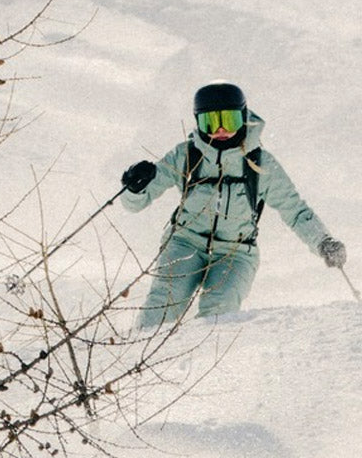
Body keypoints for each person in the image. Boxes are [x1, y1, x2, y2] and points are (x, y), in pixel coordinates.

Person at [119, 81, 346, 328]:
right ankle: (137, 357)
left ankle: (200, 364)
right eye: (210, 122)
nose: (220, 130)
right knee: (161, 310)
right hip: (185, 242)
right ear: (198, 122)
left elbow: (295, 210)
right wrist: (135, 187)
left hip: (236, 252)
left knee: (218, 316)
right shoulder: (186, 155)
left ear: (243, 117)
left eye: (229, 120)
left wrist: (323, 242)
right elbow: (135, 204)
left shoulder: (260, 163)